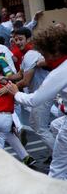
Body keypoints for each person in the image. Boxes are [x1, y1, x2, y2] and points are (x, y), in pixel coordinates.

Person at [5, 27, 67, 179]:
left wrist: (15, 92)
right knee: (54, 125)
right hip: (63, 116)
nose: (42, 58)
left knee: (56, 170)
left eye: (44, 53)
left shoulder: (59, 72)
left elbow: (34, 100)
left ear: (54, 51)